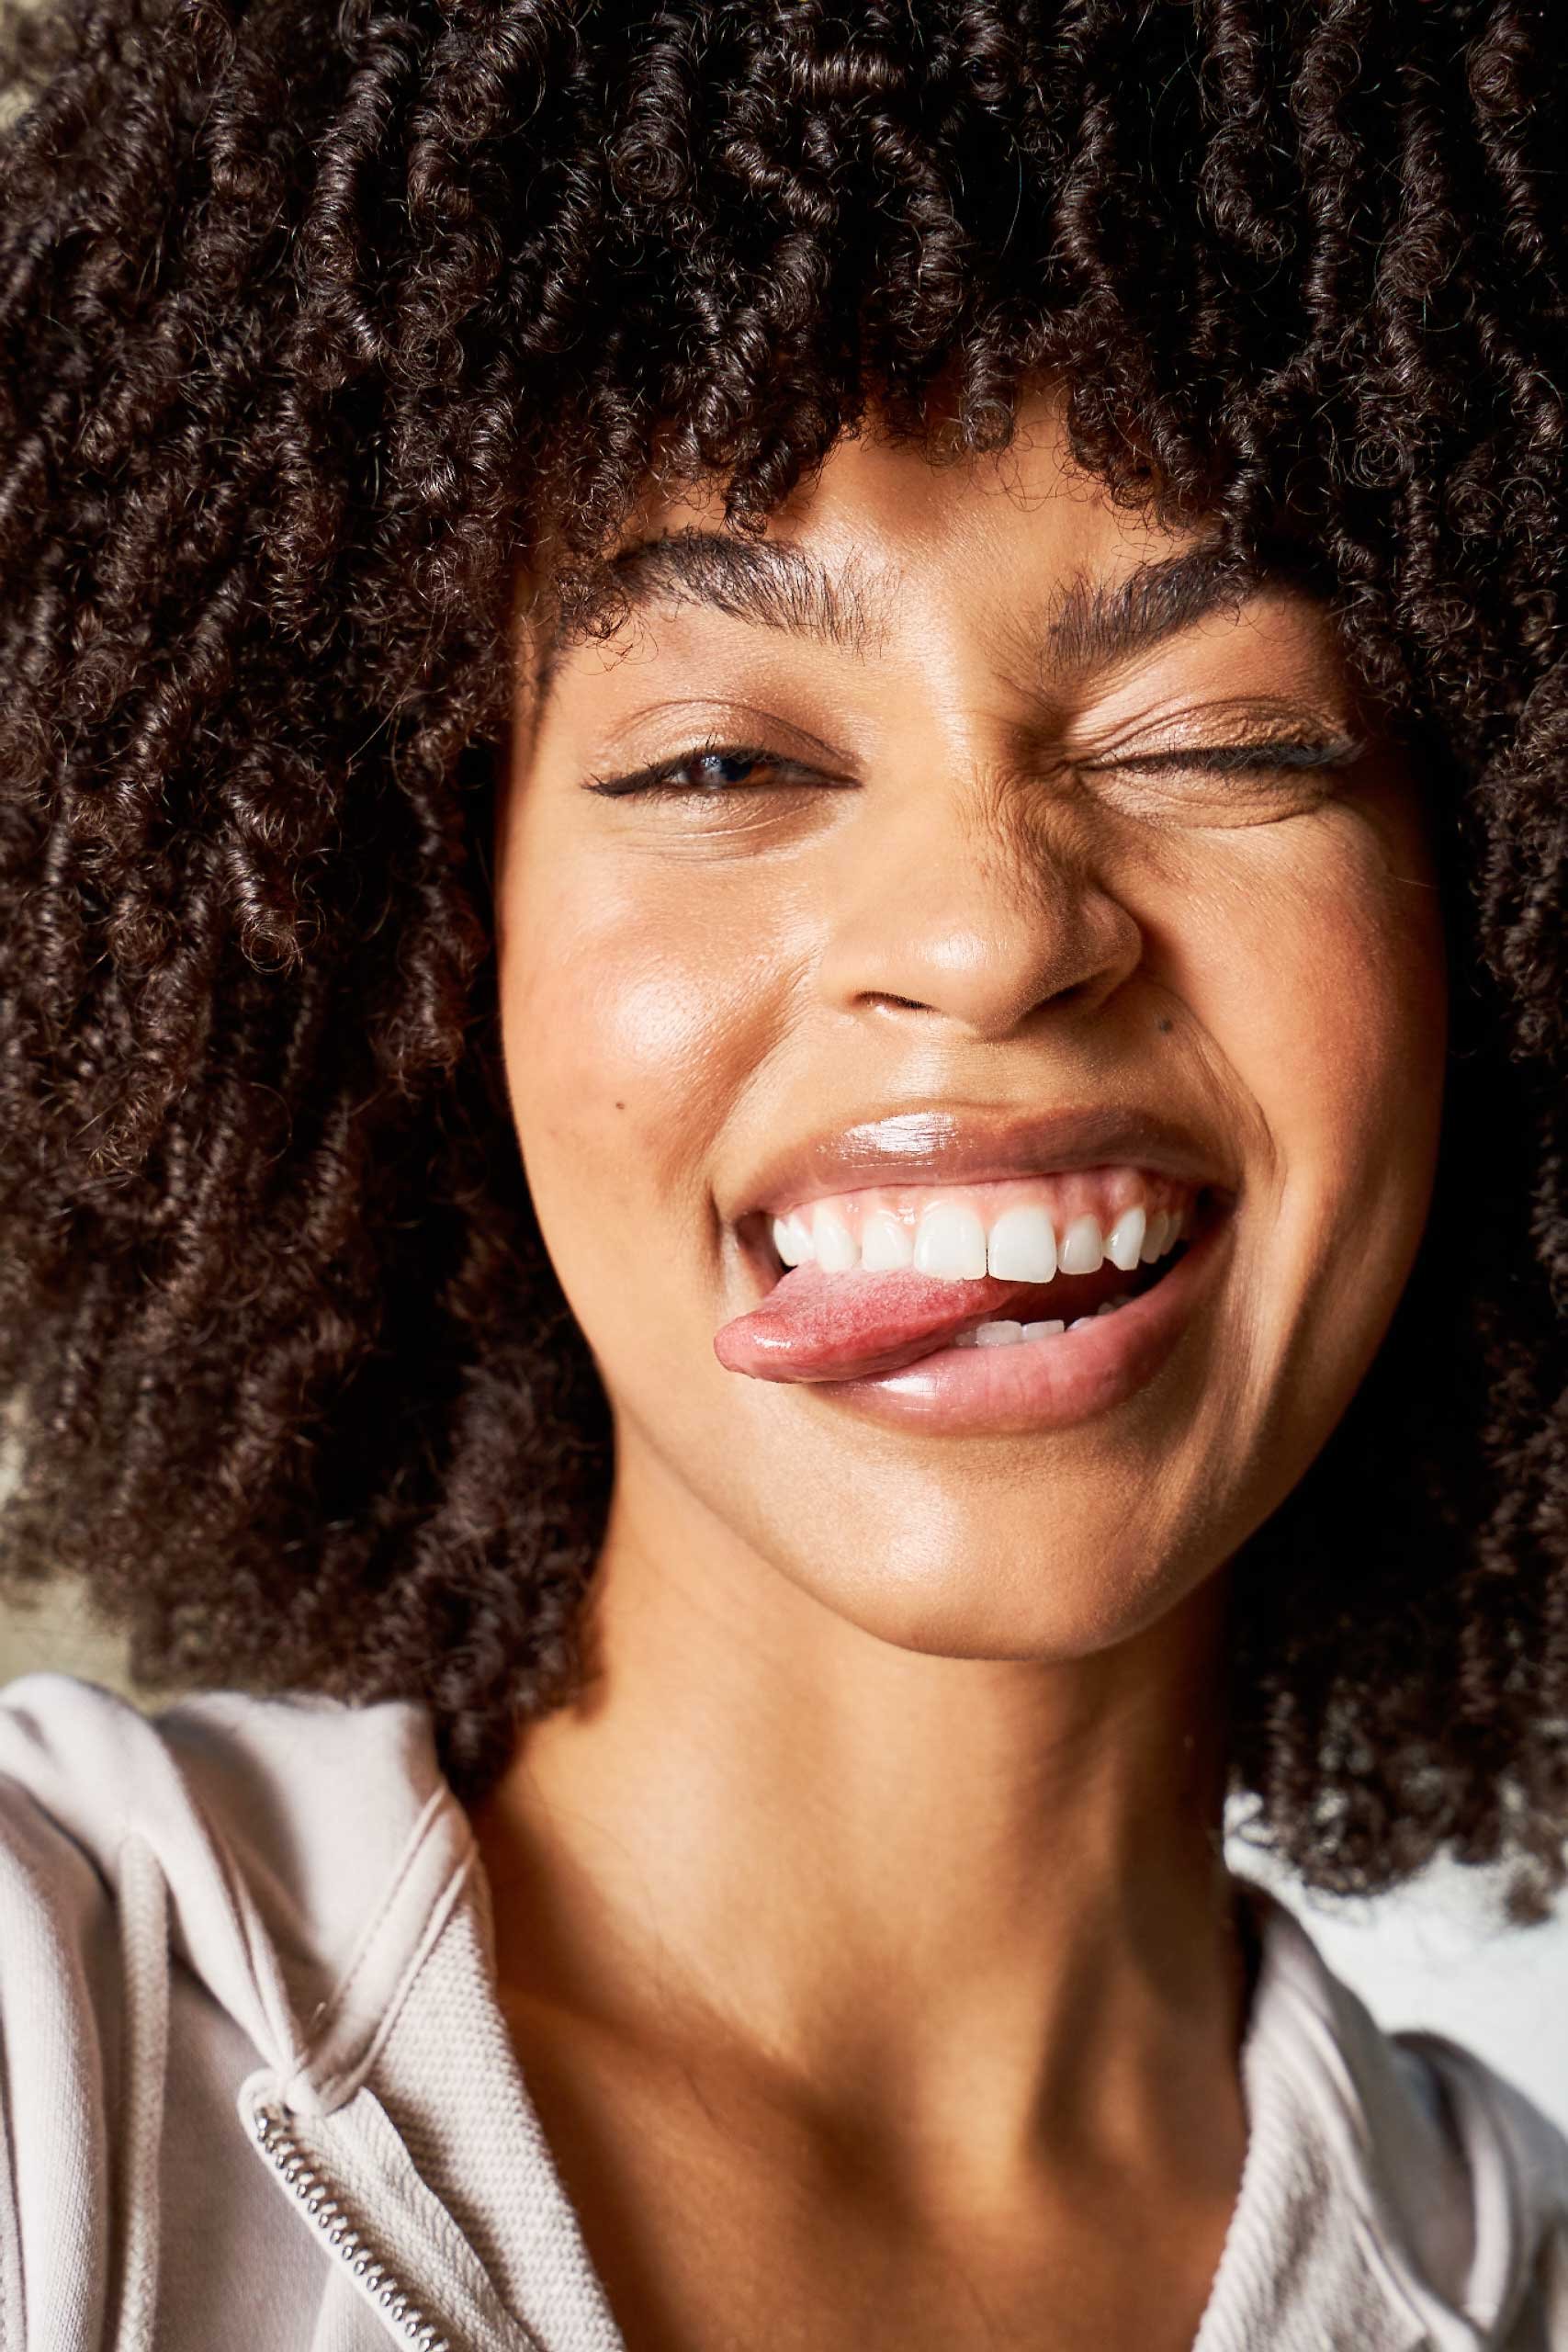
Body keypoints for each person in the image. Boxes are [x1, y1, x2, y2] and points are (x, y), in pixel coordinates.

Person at [1, 2, 1565, 2346]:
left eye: (1223, 734)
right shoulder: (58, 2030)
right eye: (720, 758)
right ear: (422, 942)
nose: (989, 927)